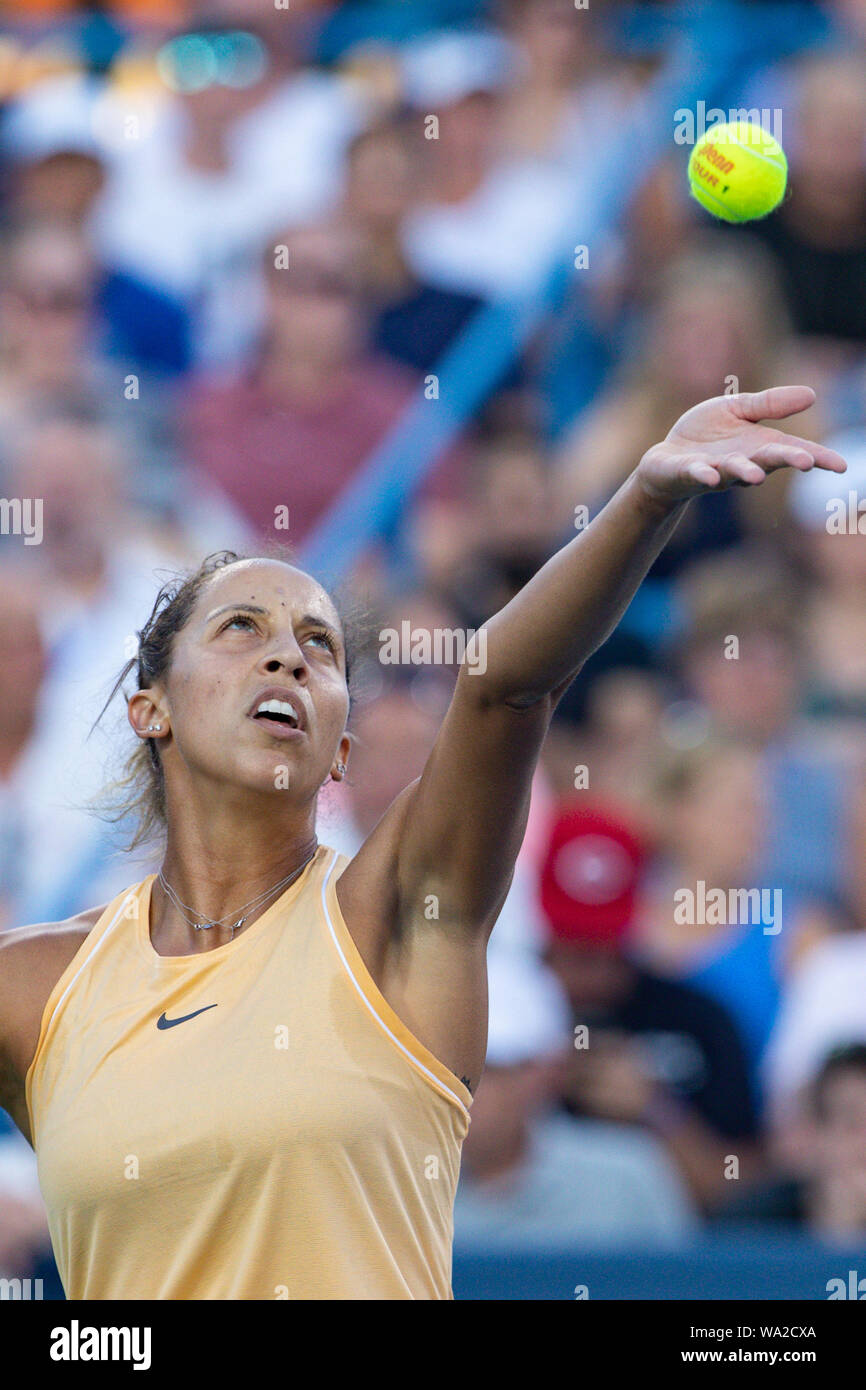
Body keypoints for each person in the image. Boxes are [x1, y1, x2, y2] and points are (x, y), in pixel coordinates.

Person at [0, 384, 845, 1298]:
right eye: (241, 628)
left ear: (341, 752)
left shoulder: (397, 912)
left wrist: (644, 498)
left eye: (319, 645)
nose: (287, 656)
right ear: (149, 707)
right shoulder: (36, 985)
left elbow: (503, 689)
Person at [539, 800, 763, 1209]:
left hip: (672, 1255)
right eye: (576, 951)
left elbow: (744, 1191)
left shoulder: (698, 1017)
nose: (597, 973)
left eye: (611, 948)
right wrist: (535, 1087)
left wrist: (656, 1112)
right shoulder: (499, 1019)